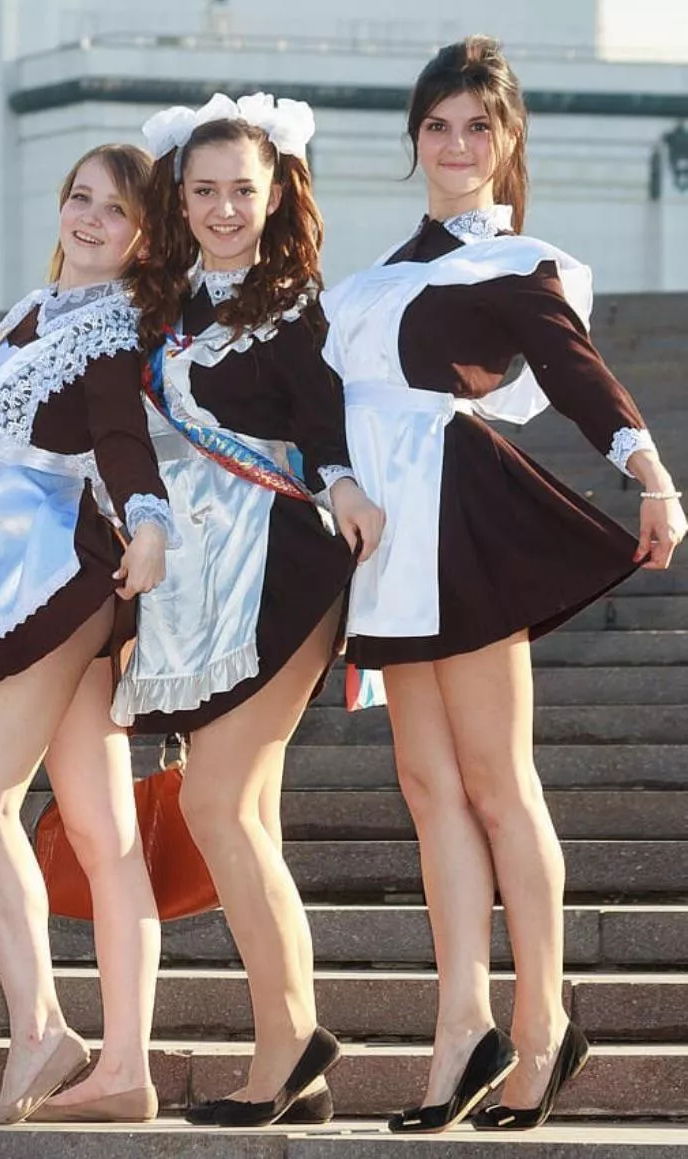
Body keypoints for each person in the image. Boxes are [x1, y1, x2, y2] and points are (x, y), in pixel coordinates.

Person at [320, 36, 687, 1134]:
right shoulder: (379, 274)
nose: (456, 144)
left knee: (496, 780)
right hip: (384, 543)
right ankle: (461, 1028)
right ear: (415, 137)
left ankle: (540, 1023)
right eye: (438, 126)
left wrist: (650, 474)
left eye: (478, 126)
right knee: (427, 786)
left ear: (508, 138)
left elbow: (577, 371)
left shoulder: (517, 264)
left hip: (460, 513)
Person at [118, 93, 384, 1129]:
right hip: (197, 584)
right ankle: (294, 1062)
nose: (224, 208)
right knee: (249, 814)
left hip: (281, 565)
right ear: (179, 200)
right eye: (205, 191)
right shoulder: (163, 308)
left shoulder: (299, 306)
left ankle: (286, 1043)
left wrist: (346, 485)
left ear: (277, 195)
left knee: (216, 804)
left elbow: (325, 425)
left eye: (243, 189)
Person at [0, 144, 172, 1126]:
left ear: (145, 237)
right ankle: (124, 1067)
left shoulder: (113, 325)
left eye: (116, 210)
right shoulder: (29, 313)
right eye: (81, 197)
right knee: (100, 828)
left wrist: (149, 517)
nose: (90, 218)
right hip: (21, 575)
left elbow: (120, 434)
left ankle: (41, 1030)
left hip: (55, 570)